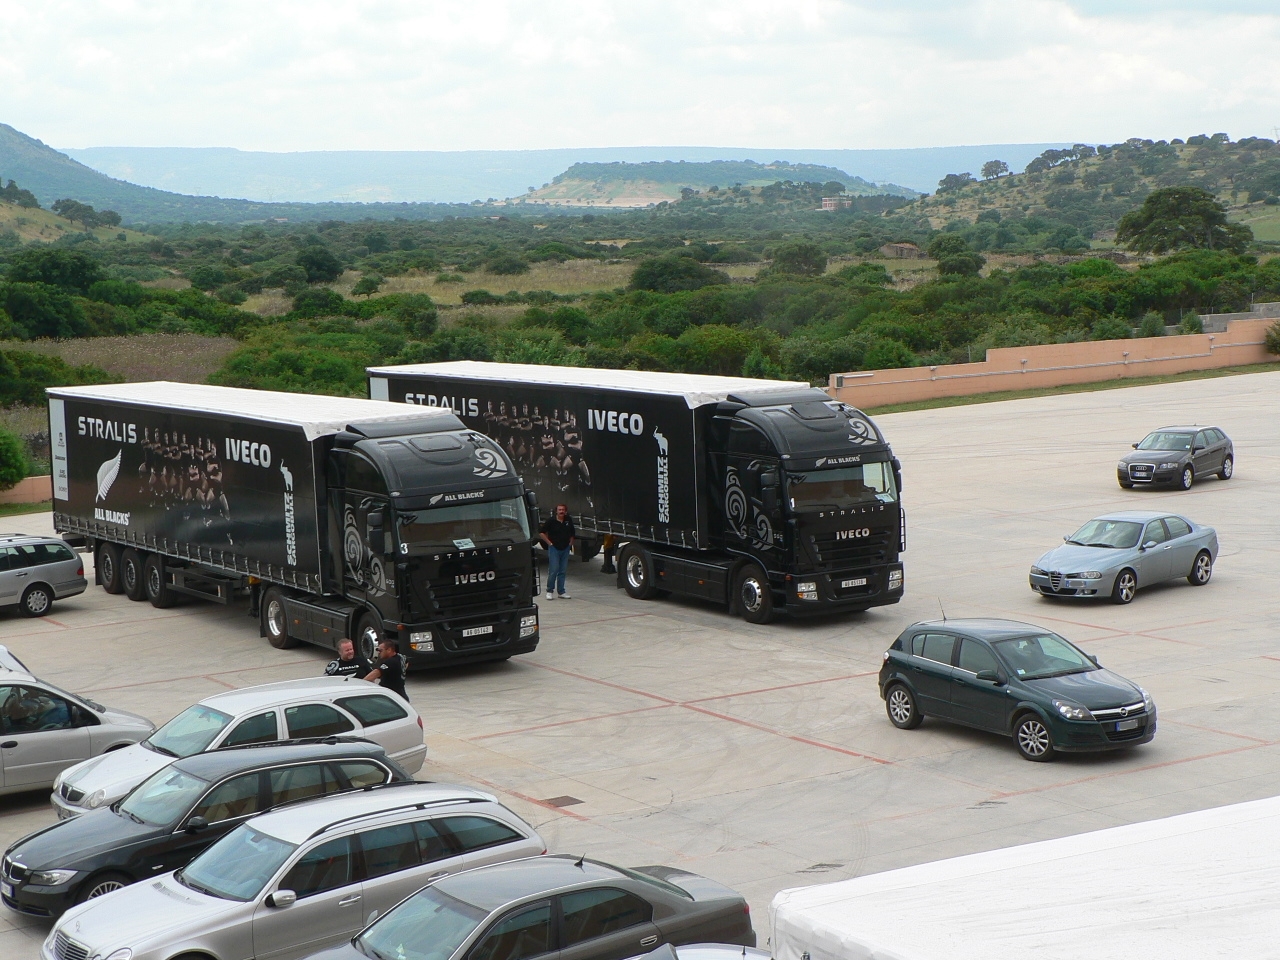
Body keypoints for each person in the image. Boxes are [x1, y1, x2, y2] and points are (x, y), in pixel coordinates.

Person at [540, 503, 575, 599]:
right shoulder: (551, 521)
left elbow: (572, 533)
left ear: (565, 511)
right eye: (559, 510)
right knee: (554, 570)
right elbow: (541, 533)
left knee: (562, 570)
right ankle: (549, 591)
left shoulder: (568, 520)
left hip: (565, 548)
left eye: (563, 510)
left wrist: (570, 543)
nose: (561, 511)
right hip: (554, 548)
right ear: (556, 511)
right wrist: (549, 543)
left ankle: (561, 591)